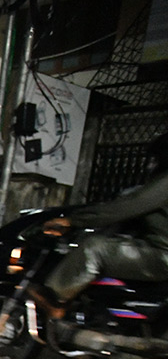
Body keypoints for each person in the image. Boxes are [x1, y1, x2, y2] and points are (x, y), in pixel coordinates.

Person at [36, 133, 168, 318]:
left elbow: (126, 206)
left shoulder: (164, 184)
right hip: (159, 253)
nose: (151, 165)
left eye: (154, 159)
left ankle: (55, 300)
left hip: (162, 257)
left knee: (94, 248)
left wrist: (72, 221)